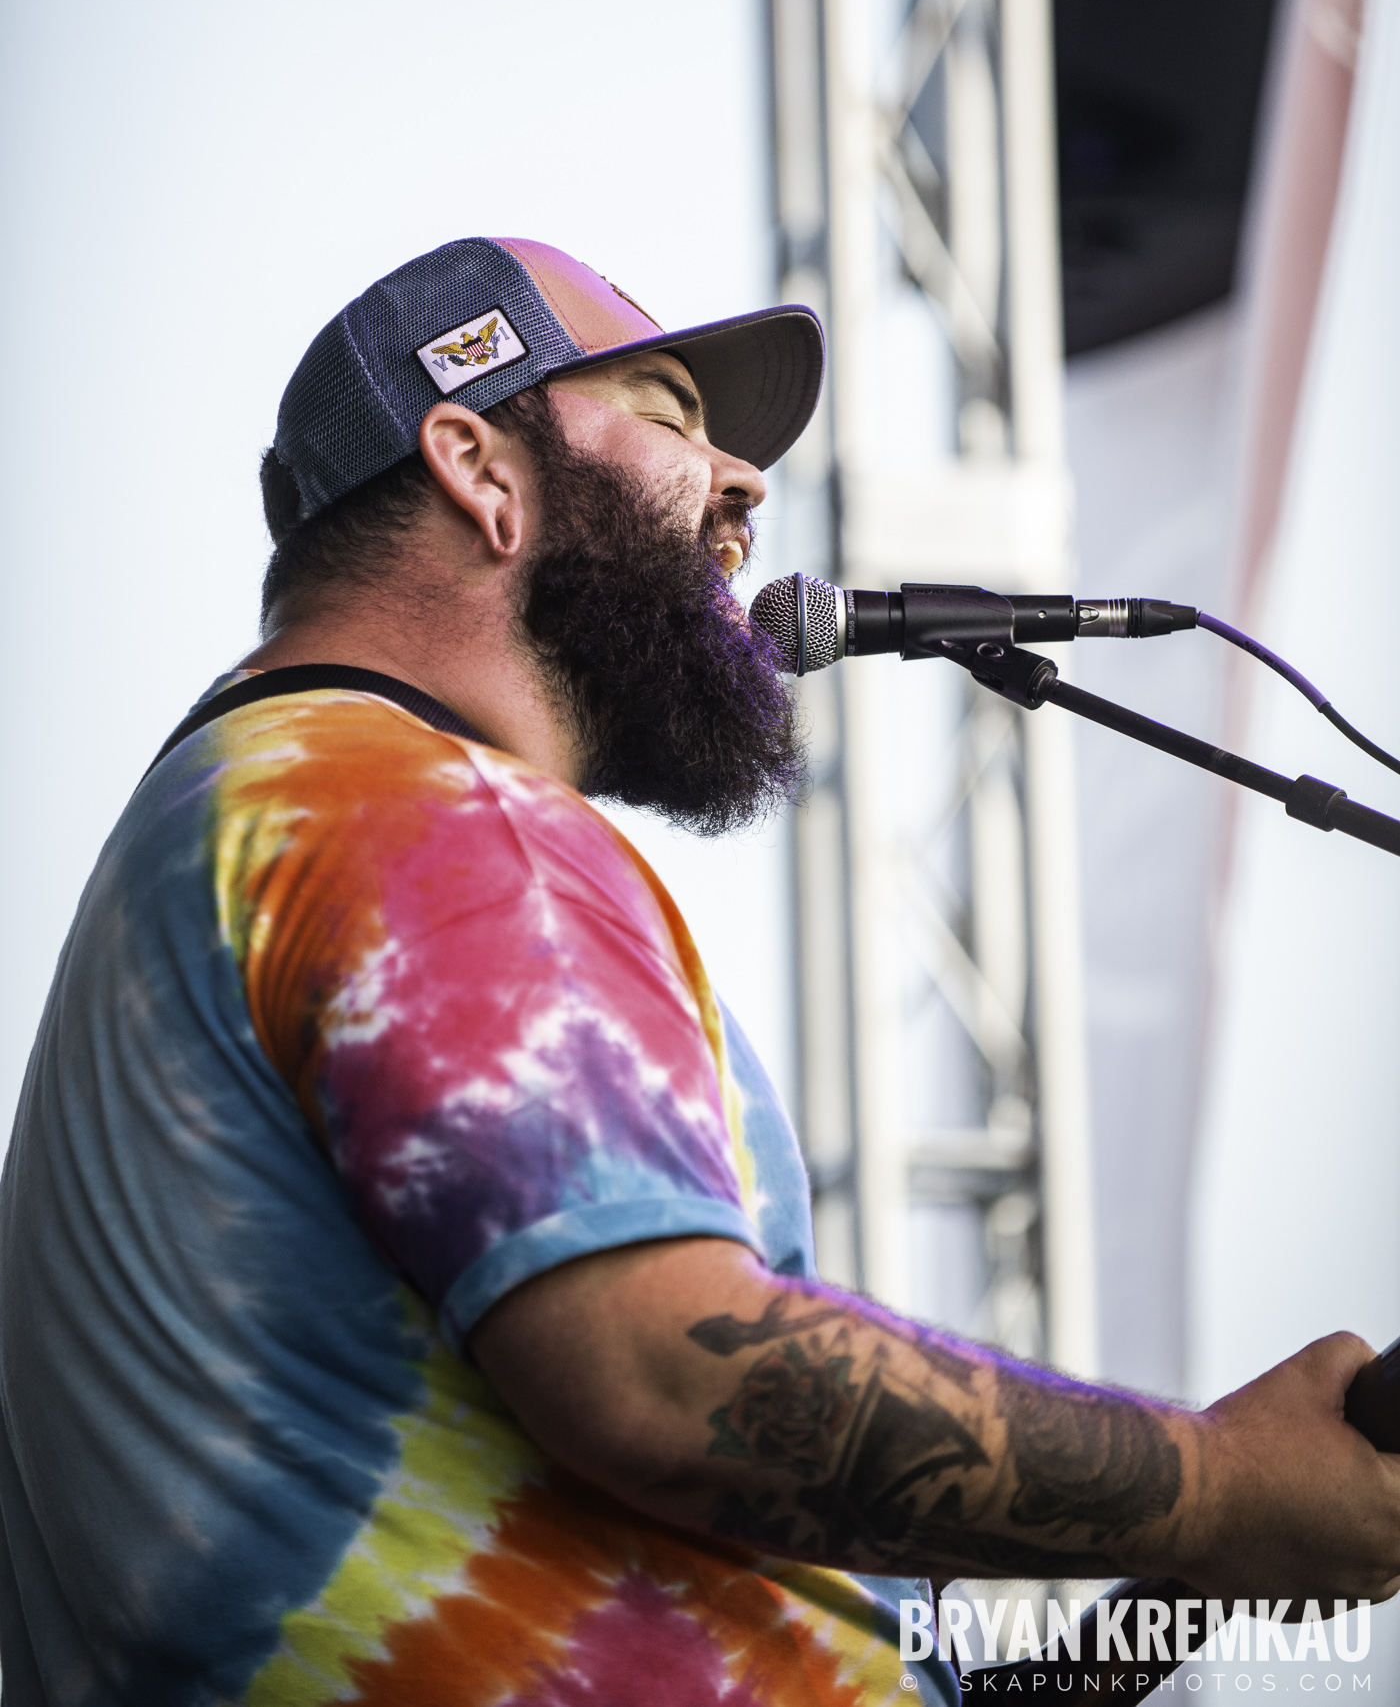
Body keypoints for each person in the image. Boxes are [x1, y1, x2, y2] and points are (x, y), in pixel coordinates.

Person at [0, 235, 1396, 1707]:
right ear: (483, 469)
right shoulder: (416, 805)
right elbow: (672, 1376)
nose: (744, 483)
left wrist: (1198, 1578)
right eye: (671, 412)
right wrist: (1217, 1481)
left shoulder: (247, 825)